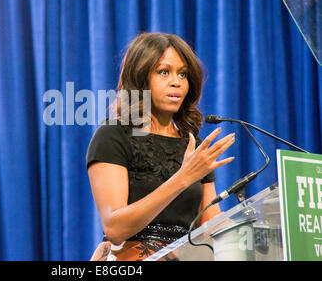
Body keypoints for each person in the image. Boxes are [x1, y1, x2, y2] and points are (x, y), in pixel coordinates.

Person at [85, 32, 235, 261]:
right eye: (163, 72)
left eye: (183, 74)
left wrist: (254, 228)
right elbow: (115, 229)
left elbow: (210, 222)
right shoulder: (113, 135)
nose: (176, 81)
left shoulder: (190, 141)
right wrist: (183, 177)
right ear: (140, 77)